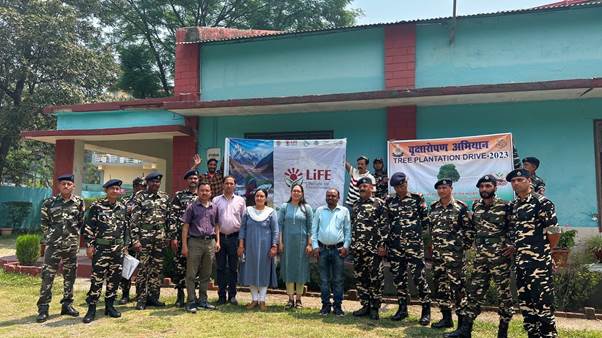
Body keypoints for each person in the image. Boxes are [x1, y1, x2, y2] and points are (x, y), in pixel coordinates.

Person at [447, 175, 515, 338]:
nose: (484, 189)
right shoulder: (476, 206)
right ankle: (466, 330)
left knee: (504, 294)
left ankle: (502, 332)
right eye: (482, 187)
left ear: (495, 187)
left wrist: (513, 245)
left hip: (500, 259)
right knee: (474, 293)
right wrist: (464, 245)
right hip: (480, 259)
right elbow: (472, 229)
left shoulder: (506, 206)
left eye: (488, 186)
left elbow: (513, 228)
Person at [507, 168, 558, 338]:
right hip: (521, 261)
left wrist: (546, 252)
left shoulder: (542, 203)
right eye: (513, 181)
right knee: (526, 302)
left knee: (542, 302)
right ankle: (533, 334)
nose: (516, 183)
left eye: (520, 179)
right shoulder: (515, 205)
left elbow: (554, 232)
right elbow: (518, 232)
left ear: (529, 181)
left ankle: (548, 335)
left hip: (539, 262)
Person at [36, 174, 85, 323]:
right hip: (54, 246)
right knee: (47, 276)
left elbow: (80, 222)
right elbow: (44, 223)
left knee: (70, 276)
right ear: (58, 186)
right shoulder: (49, 202)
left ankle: (67, 305)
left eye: (69, 184)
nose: (66, 186)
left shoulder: (79, 203)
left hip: (71, 246)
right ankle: (43, 308)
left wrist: (73, 237)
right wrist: (51, 237)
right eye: (63, 184)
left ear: (73, 186)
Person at [385, 172, 431, 325]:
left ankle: (426, 311)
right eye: (397, 187)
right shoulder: (389, 201)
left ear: (407, 183)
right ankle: (402, 309)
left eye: (402, 185)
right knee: (399, 279)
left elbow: (425, 222)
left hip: (414, 247)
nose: (400, 189)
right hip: (396, 247)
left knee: (419, 278)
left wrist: (416, 238)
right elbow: (387, 223)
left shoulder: (417, 199)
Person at [428, 179, 474, 330]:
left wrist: (460, 249)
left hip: (455, 257)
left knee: (458, 288)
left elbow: (469, 231)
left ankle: (461, 323)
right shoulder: (433, 208)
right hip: (438, 256)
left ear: (451, 189)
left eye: (444, 187)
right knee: (440, 286)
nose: (441, 190)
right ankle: (446, 318)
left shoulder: (460, 207)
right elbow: (432, 230)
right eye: (439, 188)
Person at [82, 179, 128, 323]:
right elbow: (88, 227)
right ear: (106, 190)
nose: (115, 191)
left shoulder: (123, 207)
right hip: (102, 249)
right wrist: (90, 245)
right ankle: (92, 308)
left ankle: (110, 306)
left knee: (114, 279)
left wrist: (126, 246)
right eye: (112, 188)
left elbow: (126, 228)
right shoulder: (97, 206)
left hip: (118, 250)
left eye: (117, 189)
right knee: (97, 279)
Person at [130, 171, 176, 310]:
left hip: (160, 238)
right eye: (153, 182)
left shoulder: (164, 197)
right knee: (143, 268)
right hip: (144, 237)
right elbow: (133, 221)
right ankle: (141, 299)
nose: (155, 184)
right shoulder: (140, 197)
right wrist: (135, 240)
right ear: (148, 183)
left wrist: (171, 236)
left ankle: (154, 297)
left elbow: (170, 218)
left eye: (157, 182)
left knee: (157, 268)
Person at [351, 177, 388, 320]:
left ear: (371, 188)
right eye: (360, 186)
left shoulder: (379, 204)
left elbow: (384, 226)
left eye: (365, 186)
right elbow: (353, 226)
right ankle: (365, 305)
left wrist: (381, 245)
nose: (362, 188)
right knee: (361, 278)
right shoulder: (355, 204)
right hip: (358, 249)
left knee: (376, 279)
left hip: (373, 250)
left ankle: (374, 308)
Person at [237, 189, 279, 311]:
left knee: (264, 272)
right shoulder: (248, 211)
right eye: (257, 196)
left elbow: (275, 231)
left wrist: (274, 246)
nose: (259, 198)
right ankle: (254, 299)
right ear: (254, 197)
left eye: (262, 196)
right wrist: (241, 245)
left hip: (266, 248)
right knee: (251, 270)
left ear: (266, 198)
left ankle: (262, 300)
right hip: (249, 247)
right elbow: (242, 229)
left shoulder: (271, 212)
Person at [311, 188, 351, 316]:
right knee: (324, 280)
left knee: (338, 280)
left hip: (338, 250)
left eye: (333, 196)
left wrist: (346, 246)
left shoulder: (344, 211)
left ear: (338, 198)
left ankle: (338, 307)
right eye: (328, 196)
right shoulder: (319, 211)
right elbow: (314, 230)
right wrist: (315, 246)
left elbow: (347, 231)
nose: (330, 198)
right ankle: (325, 306)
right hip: (322, 249)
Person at [181, 182, 219, 313]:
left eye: (207, 191)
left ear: (210, 193)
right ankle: (191, 301)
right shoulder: (191, 207)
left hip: (210, 243)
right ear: (198, 192)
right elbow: (185, 226)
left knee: (206, 274)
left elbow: (217, 225)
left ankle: (203, 300)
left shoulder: (214, 207)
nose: (204, 193)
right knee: (191, 274)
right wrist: (184, 246)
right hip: (194, 242)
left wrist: (217, 241)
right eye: (202, 190)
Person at [277, 184, 314, 309]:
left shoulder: (306, 208)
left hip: (302, 245)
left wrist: (309, 244)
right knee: (288, 269)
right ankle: (290, 299)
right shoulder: (284, 207)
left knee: (300, 270)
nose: (296, 193)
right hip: (287, 244)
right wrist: (280, 243)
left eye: (299, 191)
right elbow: (280, 226)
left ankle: (298, 299)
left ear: (302, 193)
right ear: (291, 192)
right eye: (294, 191)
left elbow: (310, 228)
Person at [168, 169, 199, 307]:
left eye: (195, 178)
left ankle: (193, 295)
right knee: (180, 266)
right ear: (187, 181)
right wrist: (173, 237)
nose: (193, 180)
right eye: (191, 178)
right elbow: (172, 217)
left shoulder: (203, 195)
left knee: (195, 267)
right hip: (181, 237)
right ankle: (180, 294)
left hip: (197, 237)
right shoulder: (179, 196)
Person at [213, 175, 246, 305]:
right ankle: (221, 295)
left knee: (233, 268)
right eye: (226, 183)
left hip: (234, 238)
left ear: (235, 185)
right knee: (220, 268)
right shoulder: (216, 200)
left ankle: (232, 296)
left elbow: (244, 223)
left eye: (231, 183)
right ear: (223, 185)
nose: (229, 185)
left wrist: (241, 243)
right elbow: (214, 221)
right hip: (220, 238)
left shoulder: (240, 201)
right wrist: (216, 240)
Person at [118, 176, 145, 305]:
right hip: (128, 239)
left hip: (144, 238)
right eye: (140, 186)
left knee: (142, 268)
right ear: (135, 187)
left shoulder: (147, 200)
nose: (142, 189)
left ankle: (140, 295)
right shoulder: (125, 201)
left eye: (144, 187)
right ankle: (125, 294)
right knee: (127, 267)